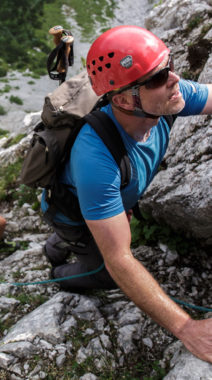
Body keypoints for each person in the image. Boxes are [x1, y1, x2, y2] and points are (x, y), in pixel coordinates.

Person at [42, 25, 212, 363]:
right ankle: (56, 271)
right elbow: (120, 259)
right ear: (122, 99)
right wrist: (186, 328)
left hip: (98, 203)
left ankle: (57, 245)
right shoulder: (96, 157)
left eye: (170, 65)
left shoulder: (164, 99)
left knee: (95, 234)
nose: (173, 78)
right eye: (157, 77)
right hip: (72, 214)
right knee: (106, 271)